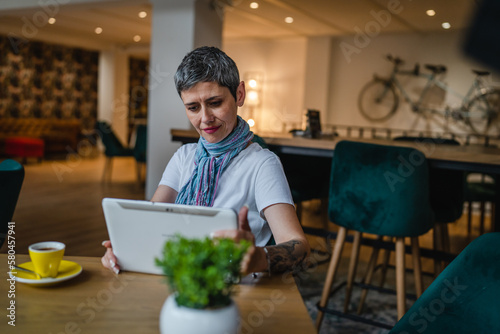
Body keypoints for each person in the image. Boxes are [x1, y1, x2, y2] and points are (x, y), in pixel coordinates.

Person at [102, 46, 310, 275]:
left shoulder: (262, 164)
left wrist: (260, 257)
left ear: (239, 94)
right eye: (193, 108)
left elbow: (299, 247)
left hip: (234, 288)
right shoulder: (183, 157)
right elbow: (151, 223)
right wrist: (123, 249)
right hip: (180, 276)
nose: (205, 118)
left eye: (215, 103)